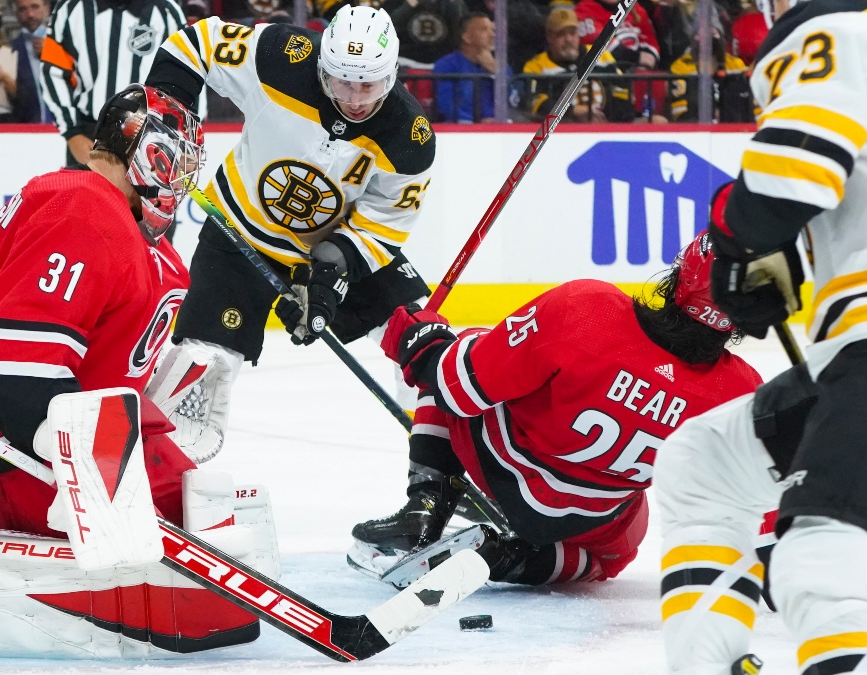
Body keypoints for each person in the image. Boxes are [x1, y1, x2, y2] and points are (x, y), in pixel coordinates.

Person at [0, 85, 272, 661]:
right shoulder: (82, 202)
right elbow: (4, 359)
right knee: (152, 548)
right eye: (176, 162)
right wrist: (87, 471)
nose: (181, 182)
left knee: (210, 524)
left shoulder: (147, 247)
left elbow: (105, 376)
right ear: (148, 154)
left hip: (58, 434)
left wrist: (165, 402)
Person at [348, 232, 762, 587]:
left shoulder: (587, 308)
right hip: (588, 518)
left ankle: (425, 506)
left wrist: (420, 338)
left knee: (466, 354)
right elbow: (763, 508)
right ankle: (507, 558)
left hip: (501, 465)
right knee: (619, 550)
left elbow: (454, 389)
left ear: (678, 273)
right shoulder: (743, 394)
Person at [656, 0, 867, 670]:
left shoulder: (838, 28)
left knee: (821, 556)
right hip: (848, 354)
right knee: (704, 462)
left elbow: (797, 165)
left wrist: (731, 241)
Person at [141, 5, 436, 464]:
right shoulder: (281, 55)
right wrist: (164, 120)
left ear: (393, 75)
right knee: (202, 366)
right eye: (343, 83)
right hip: (240, 233)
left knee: (426, 346)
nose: (355, 99)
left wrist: (333, 269)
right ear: (322, 67)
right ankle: (159, 477)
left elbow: (382, 223)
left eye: (369, 85)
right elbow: (194, 43)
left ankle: (447, 474)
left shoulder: (410, 135)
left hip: (337, 243)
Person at [39, 0, 188, 167]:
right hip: (89, 133)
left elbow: (187, 79)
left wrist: (181, 140)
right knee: (85, 193)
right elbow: (52, 73)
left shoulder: (167, 12)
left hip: (149, 136)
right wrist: (72, 133)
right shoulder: (70, 8)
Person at [522, 7, 637, 123]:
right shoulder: (535, 66)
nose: (568, 39)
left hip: (608, 125)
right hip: (562, 132)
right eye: (561, 34)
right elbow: (535, 104)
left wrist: (599, 115)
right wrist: (572, 111)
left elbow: (623, 92)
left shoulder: (601, 54)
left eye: (572, 33)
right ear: (549, 37)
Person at [665, 28, 754, 122]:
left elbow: (743, 99)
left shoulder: (735, 63)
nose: (708, 35)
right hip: (693, 123)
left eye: (713, 32)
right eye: (703, 32)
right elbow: (680, 110)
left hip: (731, 124)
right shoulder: (682, 65)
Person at [433, 12, 509, 122]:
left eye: (492, 30)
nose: (492, 35)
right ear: (467, 37)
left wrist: (496, 72)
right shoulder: (446, 65)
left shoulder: (500, 66)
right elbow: (446, 105)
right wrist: (476, 122)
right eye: (484, 30)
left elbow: (513, 100)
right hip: (461, 131)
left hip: (500, 128)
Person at [575, 0, 660, 69]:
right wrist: (636, 58)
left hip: (638, 72)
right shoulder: (584, 8)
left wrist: (650, 56)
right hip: (603, 72)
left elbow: (649, 38)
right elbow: (600, 41)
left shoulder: (635, 8)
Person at [384, 0, 468, 68]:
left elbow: (461, 35)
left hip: (444, 65)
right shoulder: (395, 2)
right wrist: (408, 6)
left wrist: (455, 7)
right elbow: (386, 29)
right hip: (405, 62)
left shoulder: (453, 4)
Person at [9, 0, 52, 122]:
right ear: (16, 14)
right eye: (23, 9)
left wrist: (53, 54)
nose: (30, 14)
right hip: (29, 130)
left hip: (70, 130)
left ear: (47, 9)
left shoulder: (66, 43)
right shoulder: (10, 51)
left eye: (35, 7)